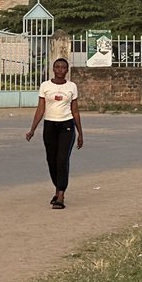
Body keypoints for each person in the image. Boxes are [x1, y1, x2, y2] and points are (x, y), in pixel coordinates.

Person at [25, 58, 84, 209]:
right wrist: (32, 129)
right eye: (57, 67)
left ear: (67, 70)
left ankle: (61, 195)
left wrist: (80, 133)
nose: (60, 70)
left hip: (67, 125)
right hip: (50, 125)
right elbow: (41, 108)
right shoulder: (45, 86)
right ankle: (57, 189)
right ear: (53, 69)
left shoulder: (72, 86)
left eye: (63, 67)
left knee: (62, 160)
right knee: (51, 160)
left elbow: (75, 111)